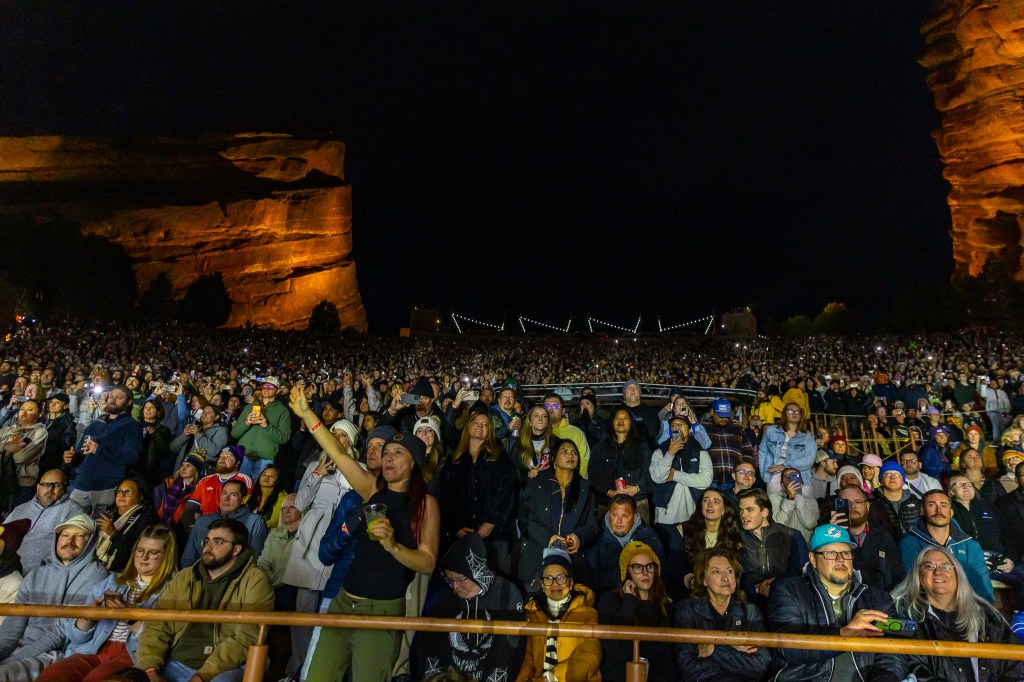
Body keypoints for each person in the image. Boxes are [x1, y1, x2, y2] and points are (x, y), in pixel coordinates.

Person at [292, 382, 440, 682]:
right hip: (343, 603)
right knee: (317, 677)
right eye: (386, 452)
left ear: (414, 463)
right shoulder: (371, 489)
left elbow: (427, 561)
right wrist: (308, 415)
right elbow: (337, 451)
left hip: (381, 612)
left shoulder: (425, 504)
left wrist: (393, 545)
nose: (387, 457)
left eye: (397, 452)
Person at [134, 518, 274, 682]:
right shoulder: (185, 576)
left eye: (218, 542)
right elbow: (157, 624)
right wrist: (150, 670)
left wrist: (202, 676)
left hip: (224, 668)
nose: (208, 547)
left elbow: (245, 639)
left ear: (236, 549)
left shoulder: (256, 581)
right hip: (175, 661)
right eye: (207, 540)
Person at [37, 525, 177, 682]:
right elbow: (74, 637)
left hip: (132, 655)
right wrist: (87, 618)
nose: (143, 557)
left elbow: (166, 639)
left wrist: (131, 618)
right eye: (140, 550)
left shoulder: (174, 588)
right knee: (53, 674)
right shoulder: (114, 580)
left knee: (98, 679)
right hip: (93, 649)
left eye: (153, 552)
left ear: (167, 556)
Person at [768, 523, 906, 681]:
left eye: (846, 552)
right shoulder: (789, 590)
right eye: (831, 553)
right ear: (813, 559)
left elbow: (894, 655)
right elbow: (788, 647)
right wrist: (844, 634)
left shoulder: (878, 598)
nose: (840, 559)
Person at [0, 514, 109, 679]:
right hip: (21, 648)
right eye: (65, 535)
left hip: (58, 652)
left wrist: (14, 659)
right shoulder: (37, 573)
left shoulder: (96, 575)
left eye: (79, 536)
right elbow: (14, 622)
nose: (69, 541)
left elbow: (61, 631)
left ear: (91, 542)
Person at [892, 546, 1024, 681]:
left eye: (946, 566)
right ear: (917, 575)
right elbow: (914, 670)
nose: (938, 571)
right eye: (929, 566)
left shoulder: (985, 614)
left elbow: (1016, 665)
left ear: (957, 573)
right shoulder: (905, 617)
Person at [413, 532, 524, 682]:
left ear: (476, 572)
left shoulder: (506, 592)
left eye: (460, 579)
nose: (455, 585)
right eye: (450, 580)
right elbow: (430, 644)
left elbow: (510, 650)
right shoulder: (444, 596)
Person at [673, 548, 771, 681]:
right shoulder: (686, 610)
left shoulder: (750, 611)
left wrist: (712, 649)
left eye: (729, 571)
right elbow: (688, 669)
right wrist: (734, 649)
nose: (725, 577)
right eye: (716, 572)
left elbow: (759, 665)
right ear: (704, 580)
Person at [437, 407, 515, 572]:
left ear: (490, 431)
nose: (480, 426)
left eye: (485, 424)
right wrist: (455, 526)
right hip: (462, 534)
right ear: (468, 427)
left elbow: (507, 493)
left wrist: (491, 522)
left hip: (495, 536)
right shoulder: (454, 459)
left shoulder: (500, 458)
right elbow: (445, 497)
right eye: (476, 422)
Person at [518, 439, 598, 589]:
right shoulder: (537, 483)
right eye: (565, 452)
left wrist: (579, 537)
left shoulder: (585, 489)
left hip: (572, 561)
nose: (570, 455)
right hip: (537, 557)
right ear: (554, 458)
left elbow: (592, 526)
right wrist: (548, 537)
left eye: (574, 453)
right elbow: (525, 519)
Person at [516, 544, 601, 682]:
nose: (555, 583)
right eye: (548, 578)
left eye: (560, 577)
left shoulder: (587, 613)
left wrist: (550, 678)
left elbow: (589, 655)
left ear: (571, 582)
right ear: (542, 585)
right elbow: (528, 658)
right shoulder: (532, 613)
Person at [597, 541, 674, 681]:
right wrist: (629, 601)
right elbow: (618, 648)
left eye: (649, 566)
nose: (645, 572)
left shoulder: (665, 605)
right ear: (626, 571)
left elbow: (668, 659)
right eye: (637, 567)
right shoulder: (610, 600)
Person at [900, 490, 994, 603]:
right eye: (932, 505)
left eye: (943, 505)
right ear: (922, 511)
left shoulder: (971, 546)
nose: (938, 510)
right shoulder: (909, 543)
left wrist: (984, 612)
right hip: (928, 609)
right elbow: (912, 585)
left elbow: (983, 587)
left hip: (967, 608)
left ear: (951, 512)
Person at [65, 385, 141, 512]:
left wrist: (99, 449)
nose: (112, 400)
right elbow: (80, 452)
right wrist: (72, 458)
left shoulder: (132, 426)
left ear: (129, 402)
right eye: (111, 396)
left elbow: (132, 456)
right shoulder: (96, 424)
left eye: (119, 397)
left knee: (99, 527)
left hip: (106, 487)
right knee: (69, 524)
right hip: (81, 484)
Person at [736, 488, 808, 610]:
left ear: (764, 512)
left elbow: (802, 573)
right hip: (751, 607)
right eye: (741, 510)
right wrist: (758, 586)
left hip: (788, 606)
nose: (743, 515)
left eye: (749, 509)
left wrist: (776, 585)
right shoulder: (737, 539)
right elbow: (738, 574)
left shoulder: (792, 536)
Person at [828, 484, 905, 590]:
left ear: (868, 506)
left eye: (858, 502)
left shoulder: (884, 537)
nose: (852, 506)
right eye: (846, 503)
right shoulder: (831, 536)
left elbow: (899, 577)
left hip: (881, 600)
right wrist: (830, 536)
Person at [5, 469, 85, 573]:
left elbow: (72, 550)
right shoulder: (21, 509)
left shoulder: (74, 512)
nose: (50, 489)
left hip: (39, 573)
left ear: (64, 488)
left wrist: (43, 569)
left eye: (56, 485)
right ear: (38, 487)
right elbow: (3, 534)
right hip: (7, 568)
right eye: (45, 484)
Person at [649, 414, 713, 538]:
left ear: (689, 430)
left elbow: (705, 481)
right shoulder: (660, 451)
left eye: (681, 425)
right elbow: (657, 477)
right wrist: (670, 454)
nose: (677, 427)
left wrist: (675, 475)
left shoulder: (700, 452)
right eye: (674, 425)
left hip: (693, 516)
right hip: (665, 517)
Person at [587, 494, 664, 596]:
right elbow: (592, 575)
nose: (619, 521)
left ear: (635, 517)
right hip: (608, 596)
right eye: (615, 515)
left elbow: (660, 572)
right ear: (609, 514)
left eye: (624, 516)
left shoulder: (648, 537)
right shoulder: (596, 537)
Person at [182, 479, 267, 566]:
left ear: (242, 500)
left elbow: (255, 558)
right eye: (224, 493)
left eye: (233, 494)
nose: (226, 498)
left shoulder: (255, 521)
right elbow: (188, 559)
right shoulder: (202, 521)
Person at [589, 408, 654, 522]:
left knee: (639, 539)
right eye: (617, 418)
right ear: (612, 422)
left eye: (625, 418)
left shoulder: (642, 447)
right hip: (607, 504)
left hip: (637, 503)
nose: (621, 421)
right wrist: (609, 492)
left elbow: (651, 473)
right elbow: (594, 475)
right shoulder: (600, 447)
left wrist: (637, 488)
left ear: (631, 423)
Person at [678, 489, 745, 597]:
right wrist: (693, 581)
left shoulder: (736, 538)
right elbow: (677, 567)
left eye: (716, 501)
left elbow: (739, 572)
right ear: (701, 506)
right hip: (692, 593)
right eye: (706, 500)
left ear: (724, 510)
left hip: (725, 594)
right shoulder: (684, 531)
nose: (710, 504)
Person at [230, 376, 292, 479]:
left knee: (258, 492)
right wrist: (246, 423)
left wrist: (266, 426)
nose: (267, 389)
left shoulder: (282, 411)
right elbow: (234, 433)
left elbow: (284, 438)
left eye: (271, 387)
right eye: (264, 386)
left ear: (277, 391)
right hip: (243, 457)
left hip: (265, 459)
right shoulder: (249, 407)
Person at [95, 478, 156, 573]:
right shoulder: (108, 512)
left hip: (116, 570)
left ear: (140, 497)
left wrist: (114, 534)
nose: (122, 495)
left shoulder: (145, 519)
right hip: (93, 562)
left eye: (128, 491)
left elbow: (137, 550)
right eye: (119, 491)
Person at [181, 446, 253, 524]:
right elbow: (191, 507)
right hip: (203, 524)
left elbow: (245, 511)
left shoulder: (245, 480)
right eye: (221, 456)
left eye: (228, 457)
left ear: (237, 463)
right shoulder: (205, 481)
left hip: (228, 525)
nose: (222, 459)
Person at [758, 402, 815, 493]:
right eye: (791, 411)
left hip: (800, 474)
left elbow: (809, 459)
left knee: (802, 505)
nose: (794, 414)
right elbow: (763, 452)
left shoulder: (808, 436)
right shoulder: (771, 431)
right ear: (784, 413)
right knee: (775, 504)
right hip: (773, 473)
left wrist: (785, 466)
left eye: (797, 412)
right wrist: (764, 474)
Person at [0, 399, 47, 508]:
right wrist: (6, 446)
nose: (24, 412)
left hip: (22, 482)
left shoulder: (40, 432)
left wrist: (3, 447)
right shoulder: (8, 429)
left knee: (14, 518)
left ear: (39, 414)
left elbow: (21, 457)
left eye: (30, 410)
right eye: (22, 409)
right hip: (2, 476)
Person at [703, 398, 754, 487]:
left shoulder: (737, 426)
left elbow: (747, 451)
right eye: (721, 416)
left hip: (734, 481)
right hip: (711, 479)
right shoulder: (703, 427)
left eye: (727, 416)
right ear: (712, 412)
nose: (724, 419)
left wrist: (743, 471)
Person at [153, 449, 203, 534]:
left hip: (180, 532)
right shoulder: (168, 483)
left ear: (196, 470)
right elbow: (156, 503)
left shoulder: (199, 490)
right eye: (182, 465)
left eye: (188, 466)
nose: (183, 468)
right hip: (160, 525)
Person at [543, 393, 591, 478]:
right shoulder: (536, 431)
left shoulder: (576, 432)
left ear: (563, 411)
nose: (550, 410)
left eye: (556, 407)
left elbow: (584, 462)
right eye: (547, 406)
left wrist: (577, 483)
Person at [871, 461, 922, 540]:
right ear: (880, 480)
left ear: (903, 480)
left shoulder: (916, 502)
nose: (893, 477)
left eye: (897, 475)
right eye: (888, 474)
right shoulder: (872, 503)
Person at [768, 466, 819, 541]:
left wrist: (797, 497)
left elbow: (810, 524)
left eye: (794, 476)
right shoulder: (774, 498)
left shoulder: (811, 501)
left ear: (801, 483)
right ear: (782, 484)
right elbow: (779, 525)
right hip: (784, 546)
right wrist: (790, 498)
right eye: (787, 477)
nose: (790, 479)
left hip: (805, 547)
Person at [616, 379, 660, 450]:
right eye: (629, 388)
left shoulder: (651, 412)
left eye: (636, 388)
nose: (633, 390)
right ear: (624, 395)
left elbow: (653, 432)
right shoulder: (616, 412)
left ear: (639, 394)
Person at [246, 464, 286, 529]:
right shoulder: (250, 496)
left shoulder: (282, 496)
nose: (266, 477)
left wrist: (254, 527)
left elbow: (275, 521)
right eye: (264, 475)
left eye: (271, 476)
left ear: (277, 482)